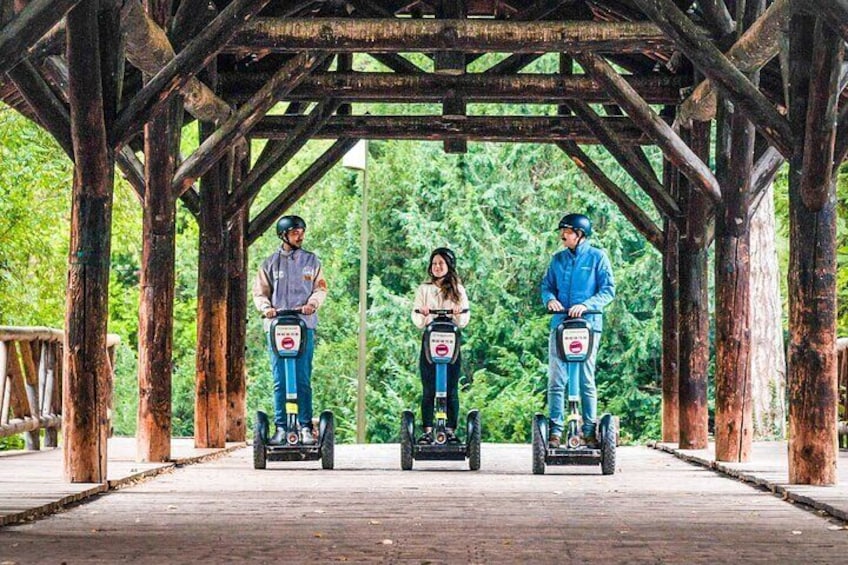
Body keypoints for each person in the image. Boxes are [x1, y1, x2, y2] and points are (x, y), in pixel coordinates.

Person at [540, 213, 615, 449]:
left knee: (585, 378)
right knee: (556, 378)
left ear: (580, 234)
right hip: (560, 325)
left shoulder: (597, 258)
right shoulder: (557, 260)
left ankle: (590, 431)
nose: (563, 236)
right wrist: (550, 300)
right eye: (563, 232)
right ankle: (555, 432)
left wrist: (587, 305)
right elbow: (546, 286)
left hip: (588, 326)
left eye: (568, 232)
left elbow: (608, 290)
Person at [253, 215, 327, 445]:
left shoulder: (311, 261)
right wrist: (267, 309)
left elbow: (320, 289)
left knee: (303, 377)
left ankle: (305, 427)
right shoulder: (270, 263)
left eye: (302, 231)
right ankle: (281, 428)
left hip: (304, 326)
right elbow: (259, 293)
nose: (301, 236)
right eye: (296, 232)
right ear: (284, 234)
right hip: (277, 327)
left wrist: (312, 305)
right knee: (280, 380)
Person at [411, 247, 470, 445]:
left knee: (451, 388)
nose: (437, 267)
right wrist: (424, 314)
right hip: (430, 342)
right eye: (434, 263)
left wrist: (457, 311)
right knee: (429, 388)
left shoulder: (458, 290)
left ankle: (451, 431)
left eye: (441, 264)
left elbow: (464, 320)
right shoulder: (424, 289)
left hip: (451, 343)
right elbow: (416, 318)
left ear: (449, 266)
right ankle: (428, 430)